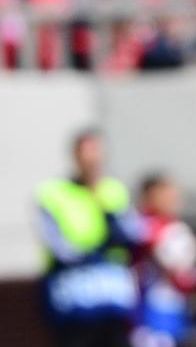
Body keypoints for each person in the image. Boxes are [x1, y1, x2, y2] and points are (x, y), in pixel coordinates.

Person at [36, 129, 139, 347]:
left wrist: (102, 202)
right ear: (75, 155)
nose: (93, 159)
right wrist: (91, 253)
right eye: (87, 152)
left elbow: (131, 234)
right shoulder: (53, 192)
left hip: (112, 296)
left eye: (97, 151)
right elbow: (59, 246)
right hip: (74, 296)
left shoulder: (113, 190)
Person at [131, 173, 196, 347]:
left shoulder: (176, 228)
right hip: (149, 313)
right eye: (165, 193)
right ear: (149, 196)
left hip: (176, 312)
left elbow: (186, 278)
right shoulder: (139, 225)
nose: (172, 199)